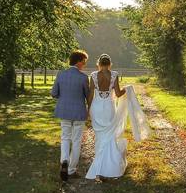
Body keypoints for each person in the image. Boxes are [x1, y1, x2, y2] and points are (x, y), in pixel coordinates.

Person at [85, 53, 151, 180]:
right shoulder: (114, 75)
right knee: (109, 136)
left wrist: (88, 110)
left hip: (97, 108)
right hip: (109, 108)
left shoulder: (93, 75)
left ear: (98, 64)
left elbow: (91, 94)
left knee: (99, 137)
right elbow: (119, 94)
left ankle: (100, 168)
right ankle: (108, 168)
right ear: (109, 64)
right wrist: (128, 89)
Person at [50, 49, 90, 181]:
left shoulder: (61, 74)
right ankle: (72, 170)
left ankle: (64, 162)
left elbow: (54, 93)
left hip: (64, 112)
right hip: (79, 112)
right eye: (84, 61)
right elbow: (87, 96)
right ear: (78, 61)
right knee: (77, 141)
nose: (84, 64)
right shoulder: (83, 78)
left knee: (65, 138)